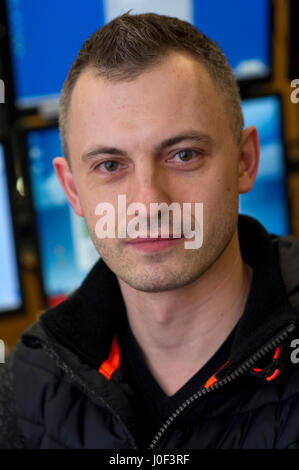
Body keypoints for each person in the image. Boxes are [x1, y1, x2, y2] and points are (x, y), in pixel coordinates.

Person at [1, 11, 299, 450]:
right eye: (110, 165)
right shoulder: (26, 385)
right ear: (71, 190)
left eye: (183, 155)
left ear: (244, 162)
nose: (147, 203)